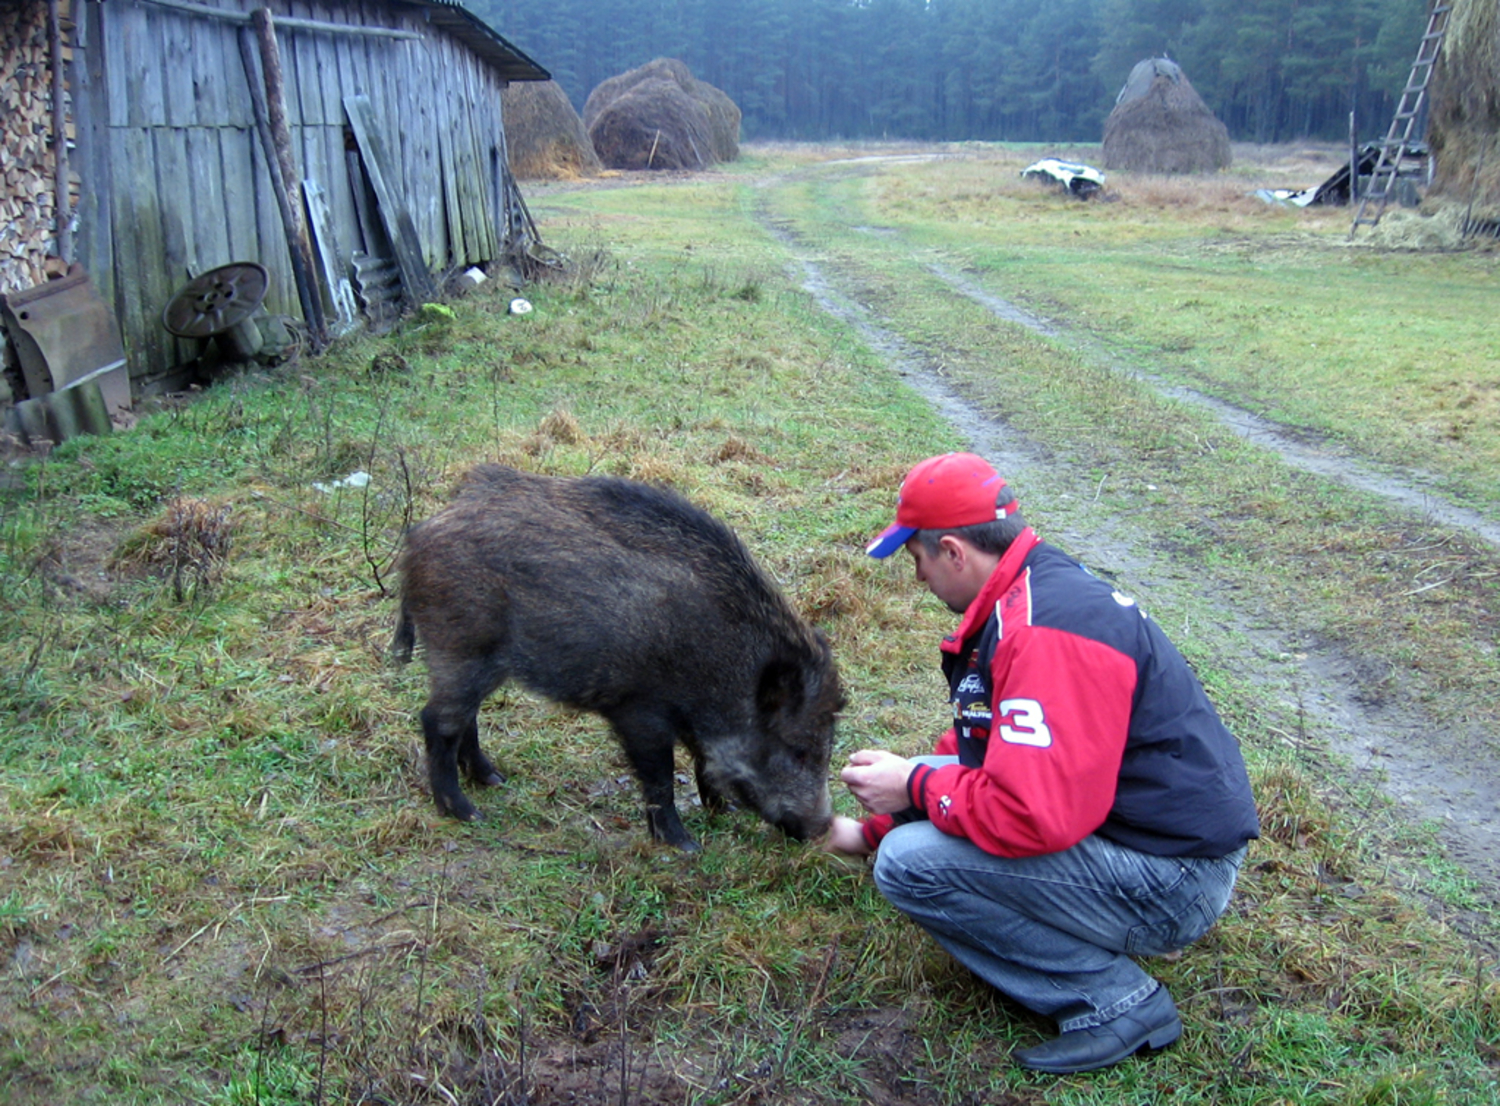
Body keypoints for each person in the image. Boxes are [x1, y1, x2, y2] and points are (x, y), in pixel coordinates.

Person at [823, 452, 1259, 1074]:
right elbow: (984, 746)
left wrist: (914, 787)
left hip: (1173, 880)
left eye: (915, 558)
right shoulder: (1030, 590)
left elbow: (1029, 815)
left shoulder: (1042, 633)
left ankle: (1116, 1002)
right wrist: (868, 829)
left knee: (910, 865)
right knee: (920, 786)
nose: (917, 578)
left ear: (953, 551)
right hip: (1138, 835)